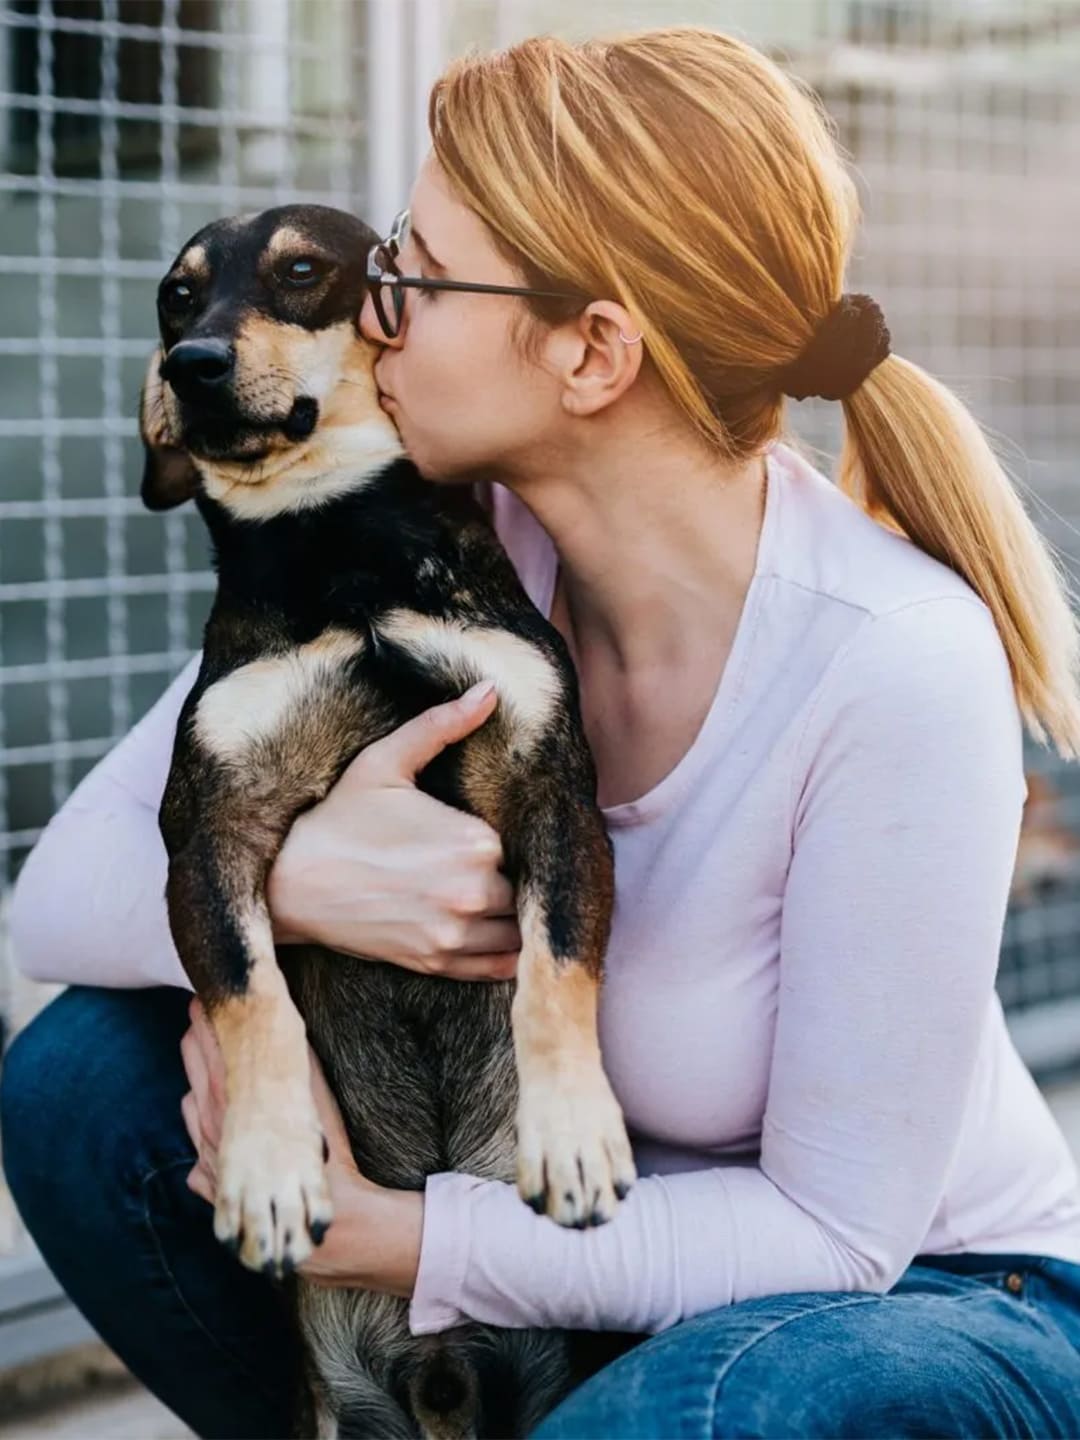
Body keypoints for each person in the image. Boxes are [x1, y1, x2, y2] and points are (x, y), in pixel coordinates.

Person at [4, 24, 1080, 1438]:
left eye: (414, 277)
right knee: (86, 1079)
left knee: (716, 1401)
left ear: (591, 354)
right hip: (549, 1267)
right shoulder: (444, 546)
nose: (368, 318)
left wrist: (399, 1240)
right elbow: (59, 904)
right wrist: (301, 876)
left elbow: (836, 1240)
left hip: (913, 1306)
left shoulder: (891, 659)